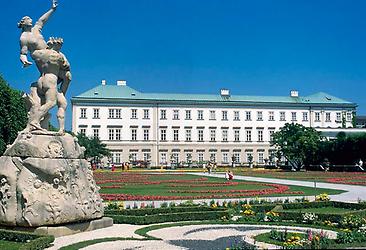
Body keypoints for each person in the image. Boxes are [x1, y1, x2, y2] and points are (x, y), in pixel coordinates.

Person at [18, 0, 71, 134]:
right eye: (28, 19)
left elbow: (42, 20)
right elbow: (23, 53)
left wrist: (52, 9)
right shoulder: (24, 37)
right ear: (23, 23)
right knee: (51, 102)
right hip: (47, 71)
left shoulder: (36, 29)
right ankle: (35, 121)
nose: (31, 20)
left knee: (67, 76)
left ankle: (60, 95)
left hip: (50, 66)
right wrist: (24, 61)